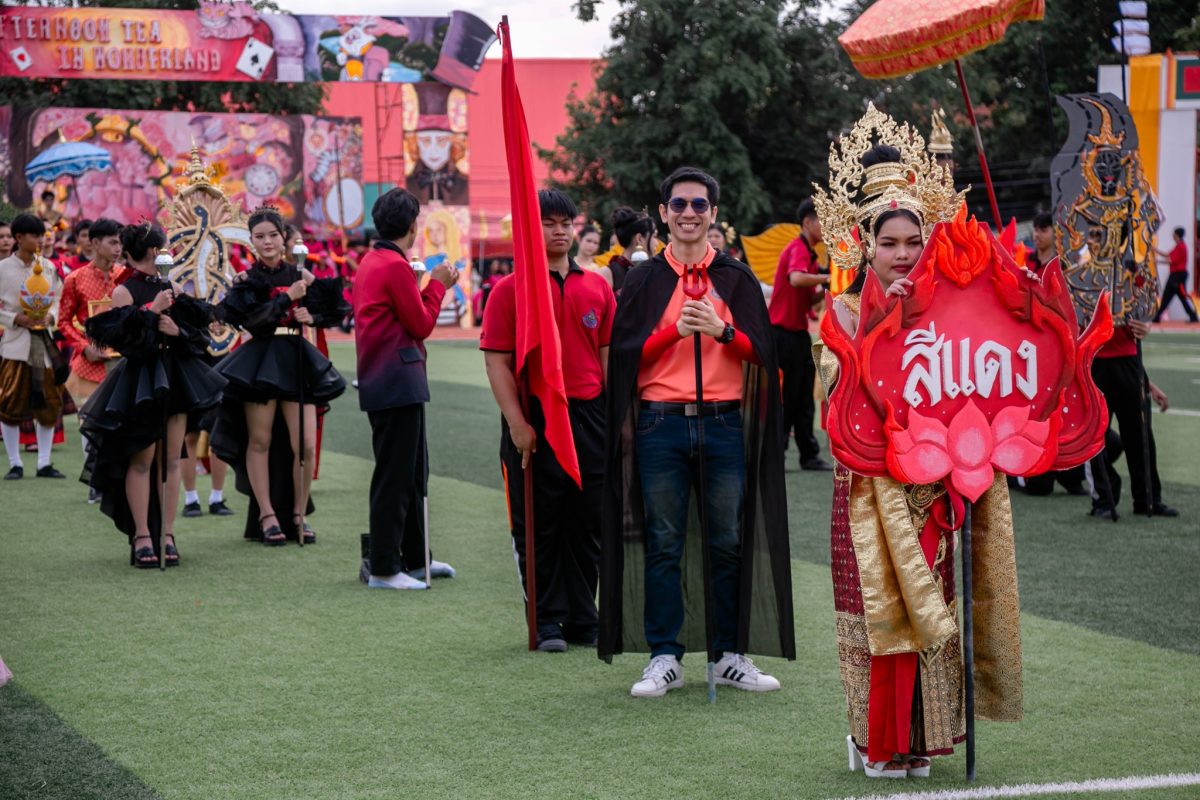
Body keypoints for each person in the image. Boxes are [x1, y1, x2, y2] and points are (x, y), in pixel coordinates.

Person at [814, 136, 1021, 779]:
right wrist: (891, 322)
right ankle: (872, 738)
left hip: (932, 487)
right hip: (869, 488)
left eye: (912, 241)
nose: (901, 254)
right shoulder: (842, 313)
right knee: (878, 615)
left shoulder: (948, 314)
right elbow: (838, 398)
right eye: (889, 243)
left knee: (934, 611)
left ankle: (924, 739)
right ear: (865, 246)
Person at [599, 166, 793, 695]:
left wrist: (722, 331)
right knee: (664, 542)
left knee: (727, 541)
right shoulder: (643, 279)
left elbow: (765, 354)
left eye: (699, 205)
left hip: (724, 422)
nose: (689, 213)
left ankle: (729, 654)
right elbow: (624, 359)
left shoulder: (735, 277)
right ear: (663, 214)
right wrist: (674, 332)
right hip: (660, 423)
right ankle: (665, 656)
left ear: (713, 213)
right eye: (679, 204)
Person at [481, 189, 615, 649]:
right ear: (528, 227)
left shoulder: (597, 286)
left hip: (589, 417)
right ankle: (546, 620)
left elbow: (607, 357)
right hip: (535, 417)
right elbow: (497, 362)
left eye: (565, 223)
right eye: (548, 222)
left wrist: (612, 417)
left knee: (587, 521)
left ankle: (583, 616)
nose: (559, 231)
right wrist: (517, 423)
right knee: (539, 524)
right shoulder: (509, 290)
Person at [79, 223, 226, 567]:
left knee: (171, 459)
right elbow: (125, 341)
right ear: (152, 251)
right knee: (141, 458)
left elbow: (195, 338)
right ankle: (143, 535)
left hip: (174, 377)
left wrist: (177, 330)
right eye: (162, 248)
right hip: (140, 382)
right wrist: (151, 311)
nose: (166, 253)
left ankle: (167, 534)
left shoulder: (171, 286)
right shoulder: (124, 291)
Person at [211, 207, 347, 545]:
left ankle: (299, 513)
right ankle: (267, 515)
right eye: (260, 237)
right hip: (260, 362)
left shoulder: (299, 273)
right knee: (259, 440)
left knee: (306, 444)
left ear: (284, 237)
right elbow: (251, 322)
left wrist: (311, 315)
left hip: (297, 360)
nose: (268, 242)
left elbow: (337, 307)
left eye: (273, 235)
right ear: (252, 241)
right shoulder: (247, 280)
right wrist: (288, 297)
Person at [355, 188, 458, 590]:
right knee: (398, 476)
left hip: (390, 379)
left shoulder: (375, 261)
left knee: (412, 474)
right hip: (396, 379)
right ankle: (385, 567)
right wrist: (437, 285)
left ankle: (416, 559)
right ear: (414, 226)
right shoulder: (393, 265)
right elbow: (421, 324)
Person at [0, 214, 67, 480]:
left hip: (44, 345)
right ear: (19, 238)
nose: (41, 239)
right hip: (15, 345)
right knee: (9, 403)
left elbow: (59, 298)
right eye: (35, 235)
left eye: (41, 234)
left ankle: (44, 463)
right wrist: (14, 318)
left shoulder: (48, 267)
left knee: (49, 403)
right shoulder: (3, 268)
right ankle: (15, 463)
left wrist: (51, 316)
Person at [1090, 316, 1178, 517]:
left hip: (1129, 361)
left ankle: (1147, 499)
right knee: (1095, 436)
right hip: (1094, 359)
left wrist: (1146, 326)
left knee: (1140, 435)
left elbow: (1143, 309)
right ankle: (1104, 499)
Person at [769, 198, 832, 471]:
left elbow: (809, 297)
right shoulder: (797, 249)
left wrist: (831, 286)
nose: (827, 225)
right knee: (787, 397)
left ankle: (809, 454)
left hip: (796, 335)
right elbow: (796, 279)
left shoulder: (810, 254)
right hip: (782, 335)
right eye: (822, 220)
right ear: (807, 222)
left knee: (804, 397)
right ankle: (777, 453)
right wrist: (827, 278)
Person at [57, 219, 121, 451]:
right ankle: (92, 475)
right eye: (112, 243)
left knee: (121, 428)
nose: (118, 248)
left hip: (123, 363)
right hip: (89, 365)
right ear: (95, 243)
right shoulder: (75, 279)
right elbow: (63, 321)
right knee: (90, 428)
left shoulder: (125, 277)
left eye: (120, 243)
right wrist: (84, 346)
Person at [604, 207, 656, 294]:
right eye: (654, 236)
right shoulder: (608, 274)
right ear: (639, 239)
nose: (657, 243)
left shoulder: (654, 271)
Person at [1152, 227, 1198, 323]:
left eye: (1174, 234)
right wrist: (1155, 250)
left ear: (1177, 235)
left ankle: (1193, 316)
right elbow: (1168, 255)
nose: (1172, 236)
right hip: (1176, 276)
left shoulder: (1181, 247)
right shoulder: (1178, 246)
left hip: (1178, 276)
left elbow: (1171, 260)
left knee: (1173, 297)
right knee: (1170, 297)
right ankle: (1157, 317)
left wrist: (1157, 262)